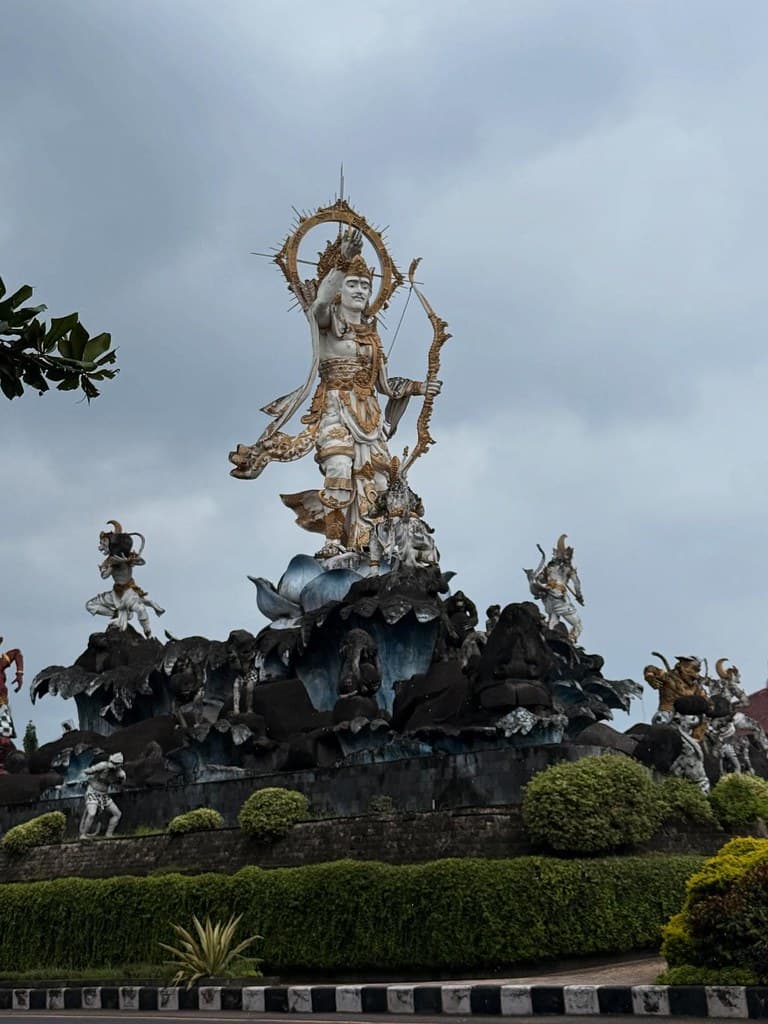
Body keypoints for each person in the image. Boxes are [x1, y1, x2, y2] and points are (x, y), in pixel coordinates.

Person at [230, 227, 440, 557]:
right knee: (340, 470)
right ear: (340, 287)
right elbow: (318, 306)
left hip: (369, 417)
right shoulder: (328, 322)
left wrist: (418, 387)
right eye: (353, 284)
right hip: (335, 408)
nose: (360, 290)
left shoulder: (370, 337)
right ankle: (332, 541)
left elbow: (384, 386)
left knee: (382, 486)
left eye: (365, 285)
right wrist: (341, 260)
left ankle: (374, 548)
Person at [86, 521, 165, 638]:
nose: (101, 546)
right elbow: (104, 576)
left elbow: (142, 562)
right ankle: (116, 613)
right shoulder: (110, 560)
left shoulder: (127, 556)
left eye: (104, 543)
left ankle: (147, 632)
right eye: (101, 543)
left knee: (140, 609)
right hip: (115, 593)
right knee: (90, 605)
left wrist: (130, 560)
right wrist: (111, 566)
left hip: (129, 592)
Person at [79, 752, 126, 839]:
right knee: (92, 813)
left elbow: (120, 785)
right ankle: (83, 835)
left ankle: (109, 834)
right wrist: (87, 775)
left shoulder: (120, 774)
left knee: (117, 814)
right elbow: (87, 771)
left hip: (104, 796)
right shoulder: (102, 765)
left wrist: (121, 780)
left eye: (116, 764)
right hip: (92, 792)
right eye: (112, 762)